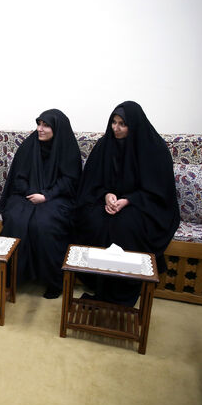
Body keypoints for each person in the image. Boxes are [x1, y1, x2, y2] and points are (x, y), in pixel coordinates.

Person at [75, 101, 180, 306]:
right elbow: (91, 183)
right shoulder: (105, 146)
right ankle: (100, 286)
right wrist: (106, 195)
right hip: (108, 203)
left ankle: (121, 295)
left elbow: (159, 192)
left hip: (142, 206)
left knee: (124, 227)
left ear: (133, 125)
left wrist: (128, 200)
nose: (116, 128)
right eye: (113, 122)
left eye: (122, 123)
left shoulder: (154, 148)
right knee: (95, 221)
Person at [0, 109, 81, 299]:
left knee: (44, 224)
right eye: (39, 124)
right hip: (26, 195)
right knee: (16, 220)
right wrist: (31, 192)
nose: (40, 129)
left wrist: (46, 196)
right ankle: (13, 276)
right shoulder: (29, 145)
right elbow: (18, 177)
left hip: (57, 197)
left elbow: (69, 181)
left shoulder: (67, 147)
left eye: (45, 125)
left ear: (56, 129)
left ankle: (53, 281)